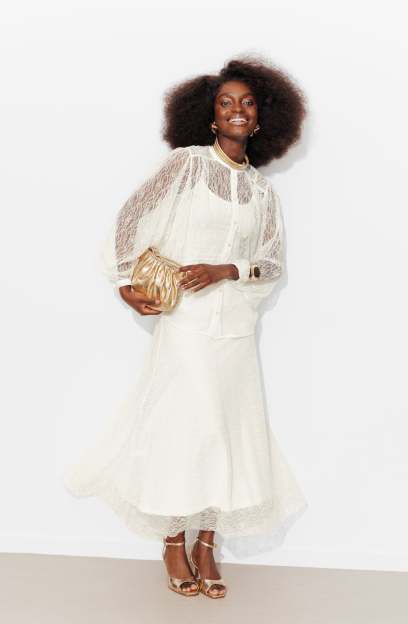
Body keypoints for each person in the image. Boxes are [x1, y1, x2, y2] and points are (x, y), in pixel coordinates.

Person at [63, 54, 309, 599]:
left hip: (237, 330)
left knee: (227, 431)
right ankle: (174, 541)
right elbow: (131, 217)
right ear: (210, 115)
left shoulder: (262, 192)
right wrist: (124, 282)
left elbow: (271, 263)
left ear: (262, 117)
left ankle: (208, 545)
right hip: (186, 323)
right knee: (184, 429)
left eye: (247, 102)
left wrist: (227, 269)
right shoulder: (188, 166)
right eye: (226, 103)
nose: (237, 110)